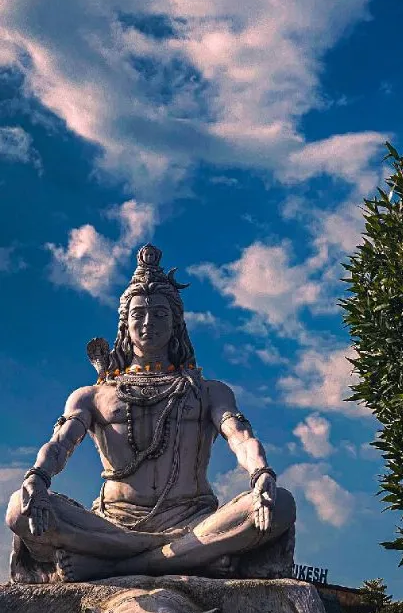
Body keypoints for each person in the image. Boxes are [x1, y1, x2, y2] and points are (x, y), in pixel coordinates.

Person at [6, 244, 295, 583]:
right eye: (138, 314)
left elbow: (241, 437)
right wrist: (36, 479)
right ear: (124, 325)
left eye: (160, 314)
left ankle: (118, 566)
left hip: (193, 521)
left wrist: (261, 475)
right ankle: (185, 558)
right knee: (17, 509)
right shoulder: (93, 395)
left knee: (281, 504)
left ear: (176, 324)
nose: (148, 323)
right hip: (114, 524)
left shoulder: (207, 390)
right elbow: (60, 445)